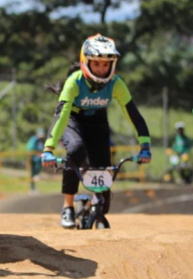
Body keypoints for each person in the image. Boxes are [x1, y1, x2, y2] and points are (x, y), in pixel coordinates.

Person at [41, 34, 152, 228]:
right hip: (72, 119)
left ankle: (97, 206)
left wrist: (145, 145)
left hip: (98, 121)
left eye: (105, 65)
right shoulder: (74, 82)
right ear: (86, 62)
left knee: (104, 168)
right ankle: (68, 207)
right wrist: (49, 148)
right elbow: (61, 116)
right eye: (96, 64)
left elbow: (134, 115)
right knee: (75, 149)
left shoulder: (116, 83)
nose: (101, 69)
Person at [26, 128, 46, 194]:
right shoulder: (35, 140)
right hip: (32, 157)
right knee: (32, 174)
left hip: (36, 156)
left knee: (33, 174)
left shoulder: (41, 140)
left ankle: (33, 188)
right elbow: (33, 148)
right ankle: (32, 189)